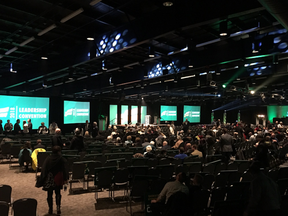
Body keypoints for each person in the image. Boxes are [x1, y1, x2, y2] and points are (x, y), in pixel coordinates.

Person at [38, 146, 68, 215]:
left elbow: (44, 169)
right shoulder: (61, 159)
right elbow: (65, 169)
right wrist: (66, 178)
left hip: (50, 178)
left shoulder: (48, 158)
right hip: (58, 177)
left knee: (49, 194)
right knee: (58, 193)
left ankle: (50, 209)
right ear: (59, 151)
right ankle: (58, 208)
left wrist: (41, 180)